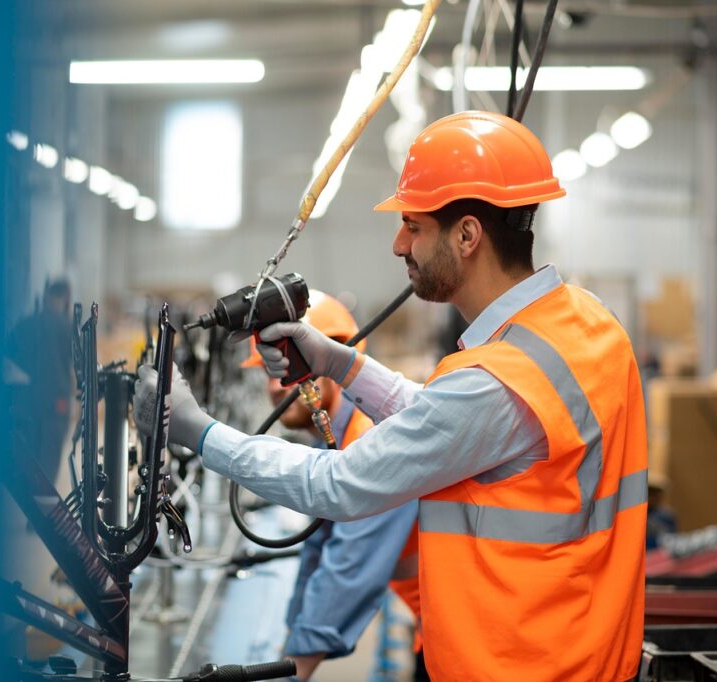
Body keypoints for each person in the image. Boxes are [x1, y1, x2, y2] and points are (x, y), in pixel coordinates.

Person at [135, 111, 648, 681]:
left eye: (413, 225)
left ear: (467, 235)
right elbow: (452, 425)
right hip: (580, 653)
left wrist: (197, 431)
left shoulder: (501, 380)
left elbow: (337, 484)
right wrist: (340, 362)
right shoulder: (586, 325)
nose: (398, 243)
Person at [236, 290, 418, 681]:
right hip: (439, 622)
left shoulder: (372, 439)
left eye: (285, 370)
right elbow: (318, 546)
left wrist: (291, 671)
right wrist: (287, 642)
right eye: (269, 372)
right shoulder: (334, 438)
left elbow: (346, 572)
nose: (274, 387)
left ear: (326, 359)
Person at [7, 278, 74, 487]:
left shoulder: (26, 324)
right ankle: (41, 518)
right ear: (64, 299)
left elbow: (9, 351)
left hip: (31, 403)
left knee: (33, 464)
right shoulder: (66, 327)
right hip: (58, 405)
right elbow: (76, 366)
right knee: (49, 467)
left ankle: (33, 514)